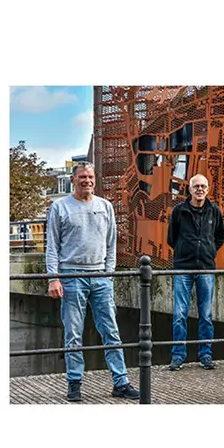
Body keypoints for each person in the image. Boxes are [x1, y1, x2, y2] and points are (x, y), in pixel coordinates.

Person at [46, 163, 140, 402]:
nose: (86, 180)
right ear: (73, 179)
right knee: (73, 333)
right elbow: (52, 246)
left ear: (94, 180)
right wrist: (53, 278)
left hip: (100, 276)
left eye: (90, 177)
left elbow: (112, 243)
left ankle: (121, 382)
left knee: (111, 330)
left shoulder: (105, 206)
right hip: (71, 276)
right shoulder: (60, 207)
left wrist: (108, 273)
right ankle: (74, 383)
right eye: (82, 177)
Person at [167, 174, 224, 371]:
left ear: (208, 189)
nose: (200, 189)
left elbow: (220, 237)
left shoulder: (214, 211)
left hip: (206, 268)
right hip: (183, 268)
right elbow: (171, 238)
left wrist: (207, 251)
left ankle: (206, 354)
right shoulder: (179, 211)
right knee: (179, 314)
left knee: (206, 315)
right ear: (190, 189)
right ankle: (178, 355)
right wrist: (186, 250)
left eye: (203, 186)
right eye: (196, 186)